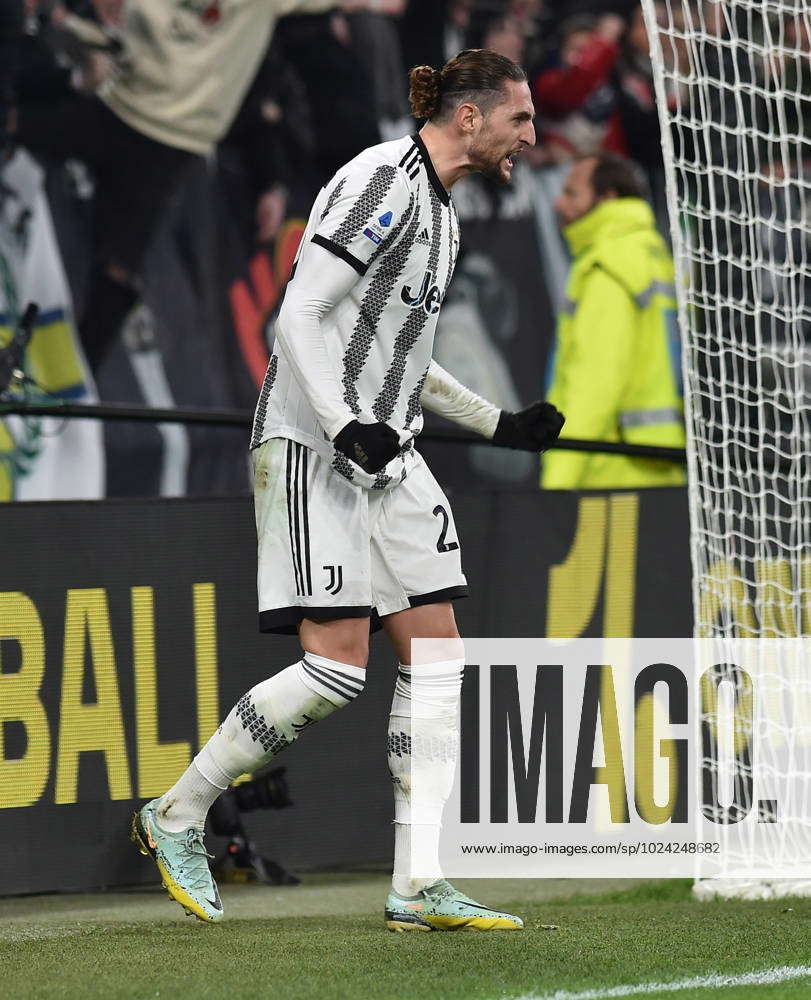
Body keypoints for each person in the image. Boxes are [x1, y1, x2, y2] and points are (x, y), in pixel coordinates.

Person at [132, 48, 564, 931]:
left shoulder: (441, 217)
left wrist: (498, 423)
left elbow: (408, 357)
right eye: (519, 119)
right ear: (470, 116)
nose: (532, 135)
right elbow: (296, 312)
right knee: (333, 670)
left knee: (439, 658)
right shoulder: (381, 180)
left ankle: (416, 884)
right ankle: (175, 814)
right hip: (313, 446)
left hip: (388, 453)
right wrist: (341, 425)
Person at [541, 152, 685, 490]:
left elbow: (595, 384)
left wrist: (557, 482)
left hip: (609, 476)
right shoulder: (654, 255)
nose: (559, 204)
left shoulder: (608, 267)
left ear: (608, 198)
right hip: (663, 466)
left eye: (572, 193)